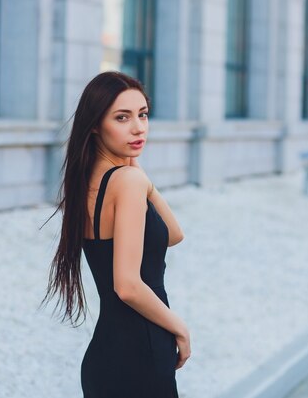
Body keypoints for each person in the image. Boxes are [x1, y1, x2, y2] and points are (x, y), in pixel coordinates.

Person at [38, 71, 191, 397]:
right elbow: (127, 285)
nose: (138, 127)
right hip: (142, 351)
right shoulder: (126, 183)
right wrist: (179, 327)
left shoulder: (89, 180)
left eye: (143, 114)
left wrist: (138, 169)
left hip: (106, 355)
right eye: (122, 117)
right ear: (95, 124)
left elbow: (174, 234)